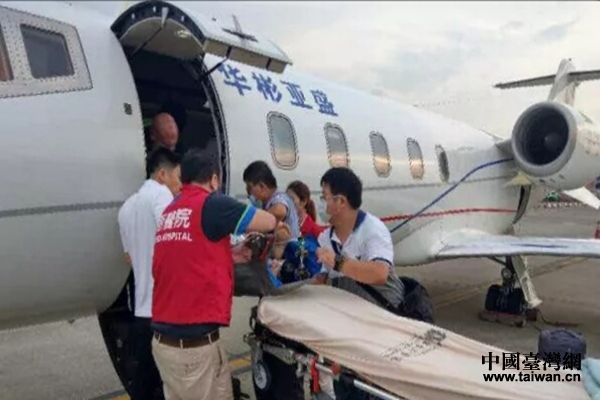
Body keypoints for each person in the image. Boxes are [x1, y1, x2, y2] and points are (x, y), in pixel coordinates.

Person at [151, 149, 278, 400]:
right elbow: (267, 222)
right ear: (214, 179)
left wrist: (230, 254)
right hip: (193, 351)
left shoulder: (172, 211)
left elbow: (187, 257)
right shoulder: (211, 204)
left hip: (169, 343)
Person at [117, 148, 182, 400]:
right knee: (173, 382)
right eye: (177, 177)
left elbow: (129, 258)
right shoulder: (161, 195)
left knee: (144, 381)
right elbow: (174, 241)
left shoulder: (126, 208)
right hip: (166, 309)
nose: (180, 185)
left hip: (142, 311)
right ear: (162, 174)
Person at [243, 160, 301, 240]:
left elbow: (280, 210)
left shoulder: (278, 198)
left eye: (249, 187)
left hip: (291, 246)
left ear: (262, 186)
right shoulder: (266, 202)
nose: (248, 192)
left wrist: (255, 222)